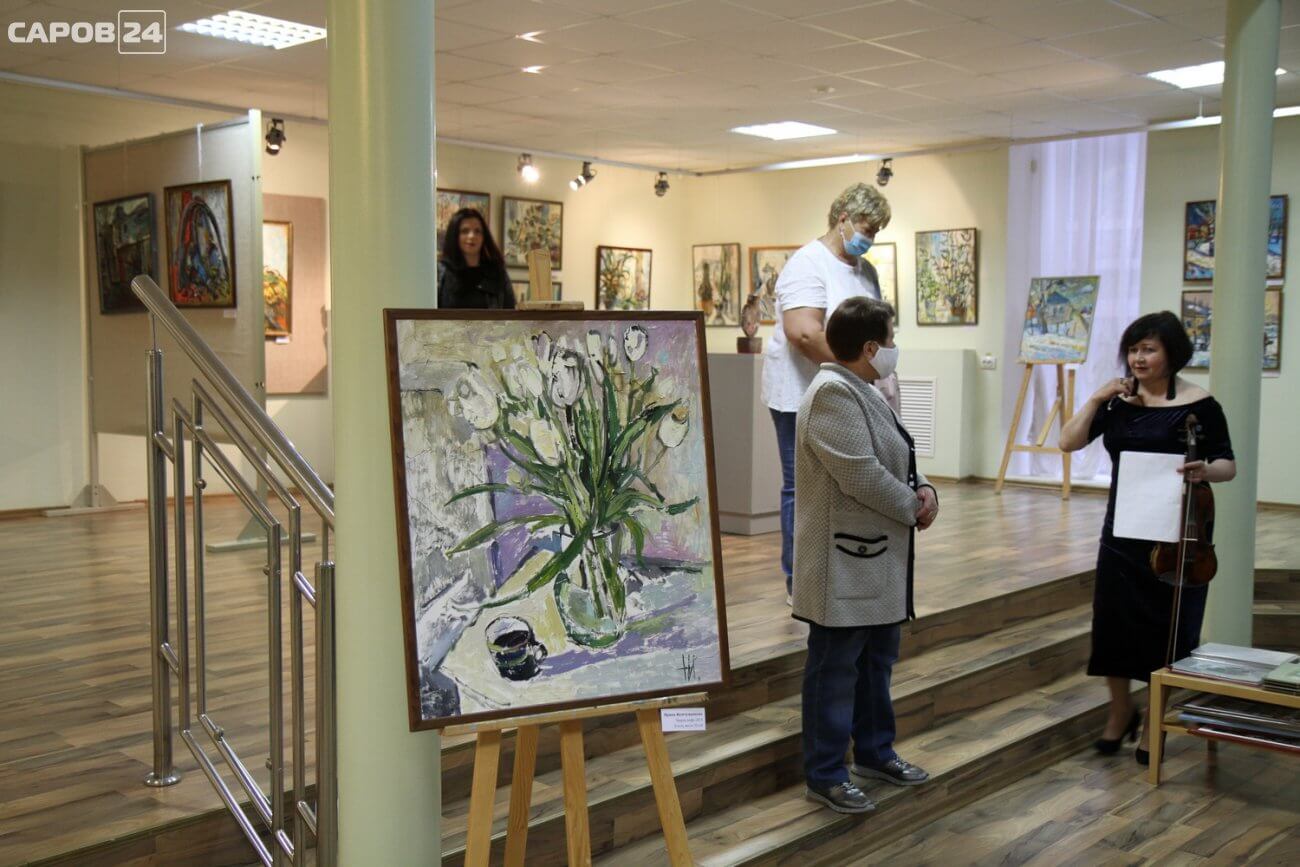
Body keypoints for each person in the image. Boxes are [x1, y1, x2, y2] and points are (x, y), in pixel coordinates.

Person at [1060, 311, 1236, 765]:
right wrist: (1096, 398)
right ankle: (1121, 711)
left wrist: (1204, 470)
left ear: (1172, 354)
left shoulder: (1201, 405)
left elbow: (1228, 465)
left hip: (1179, 534)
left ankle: (1155, 720)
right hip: (1123, 528)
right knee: (1113, 625)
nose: (1138, 358)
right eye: (1134, 349)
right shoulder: (1119, 403)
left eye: (1149, 349)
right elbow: (1068, 442)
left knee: (1169, 631)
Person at [792, 296, 938, 814]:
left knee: (877, 663)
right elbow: (861, 474)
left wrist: (925, 489)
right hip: (842, 563)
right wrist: (911, 507)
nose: (896, 348)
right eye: (892, 339)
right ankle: (826, 774)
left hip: (873, 561)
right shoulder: (832, 393)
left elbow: (898, 456)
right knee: (835, 672)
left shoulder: (863, 388)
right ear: (871, 346)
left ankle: (876, 753)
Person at [762, 182, 899, 604]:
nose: (869, 238)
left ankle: (842, 573)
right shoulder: (808, 264)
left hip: (851, 392)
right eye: (867, 229)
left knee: (849, 484)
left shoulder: (865, 272)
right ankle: (799, 581)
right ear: (843, 219)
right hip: (802, 394)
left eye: (876, 232)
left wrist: (874, 372)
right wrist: (859, 371)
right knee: (802, 488)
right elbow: (804, 333)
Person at [437, 207, 515, 309]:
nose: (472, 236)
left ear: (484, 237)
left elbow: (510, 311)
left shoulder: (497, 272)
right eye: (465, 231)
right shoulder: (441, 272)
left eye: (477, 231)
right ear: (455, 235)